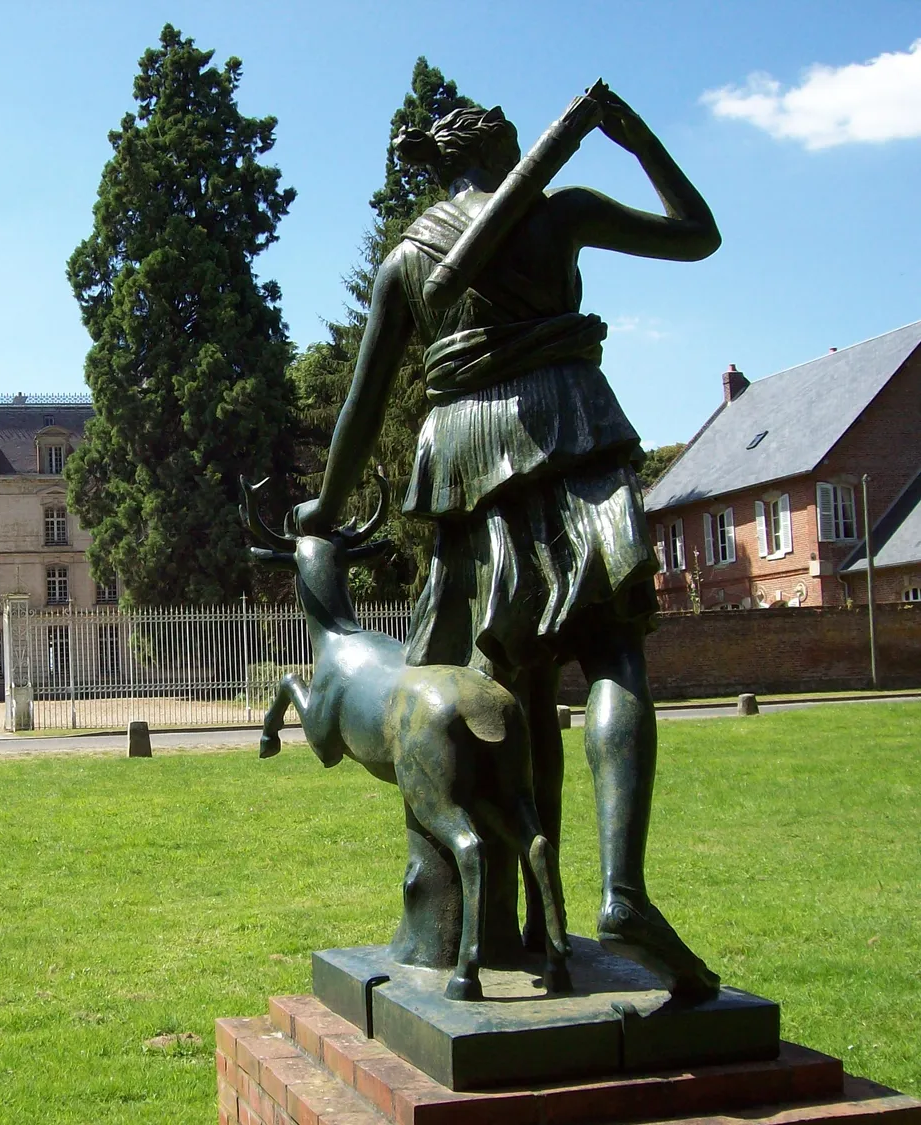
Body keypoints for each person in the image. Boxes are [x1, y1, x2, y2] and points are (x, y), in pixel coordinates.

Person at [293, 87, 721, 999]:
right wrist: (637, 139)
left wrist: (322, 507)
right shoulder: (556, 212)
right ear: (492, 143)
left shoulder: (407, 259)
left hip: (465, 454)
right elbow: (697, 232)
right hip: (569, 423)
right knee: (612, 654)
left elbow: (364, 407)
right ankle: (615, 891)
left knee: (508, 693)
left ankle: (537, 927)